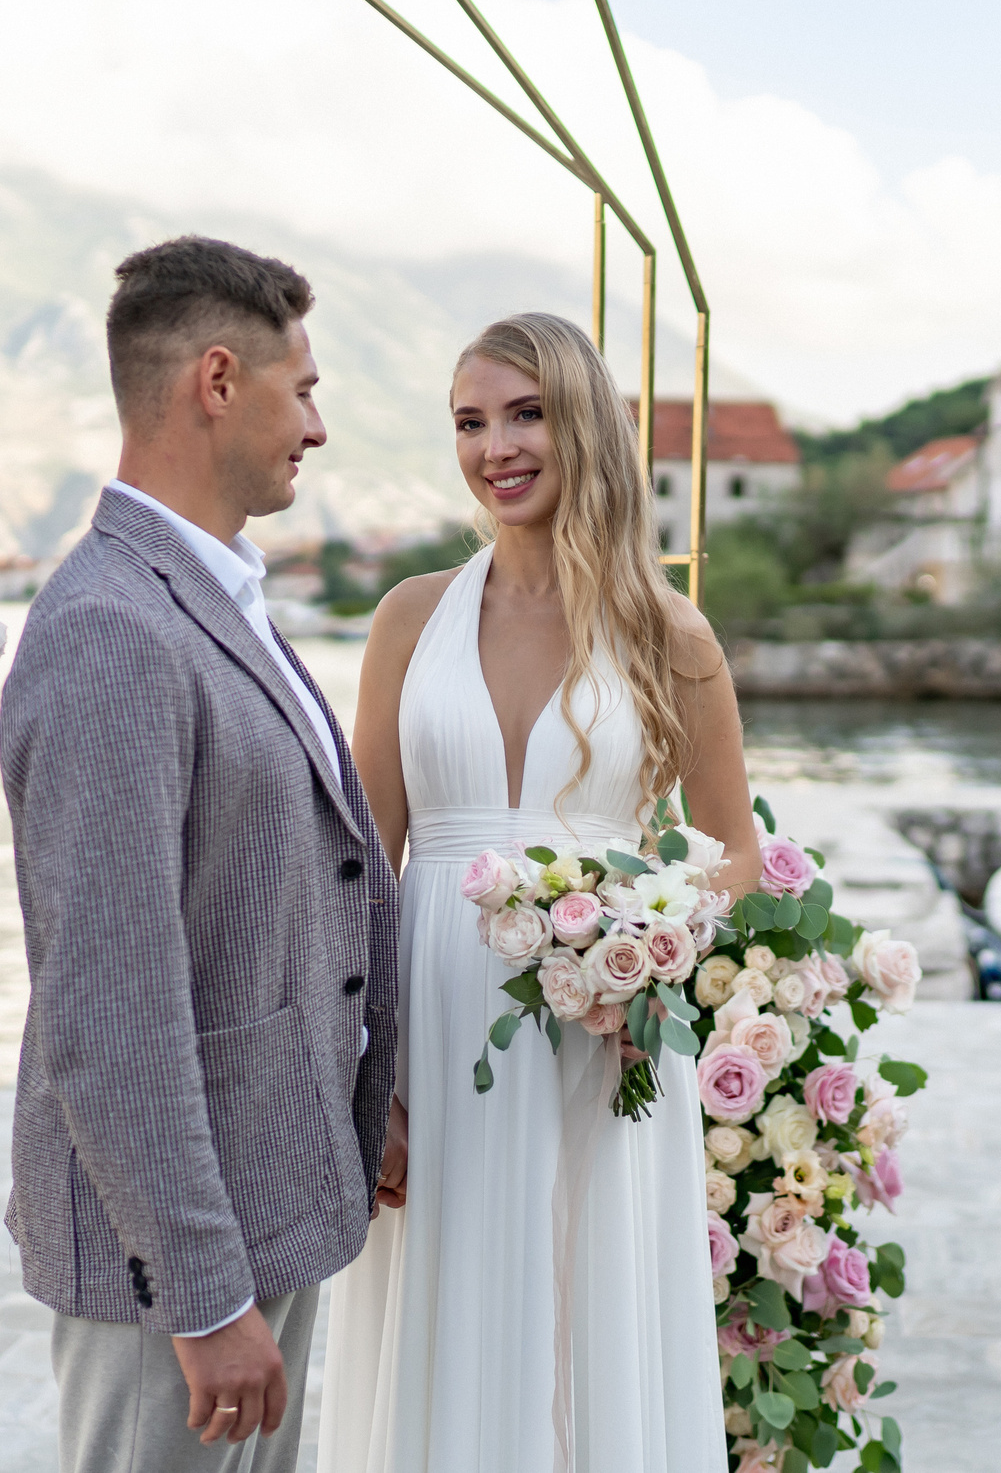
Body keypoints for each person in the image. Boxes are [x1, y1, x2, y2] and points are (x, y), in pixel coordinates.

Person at [317, 313, 761, 1473]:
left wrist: (647, 948)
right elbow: (364, 858)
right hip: (435, 1046)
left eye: (524, 415)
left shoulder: (669, 634)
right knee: (444, 1307)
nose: (494, 447)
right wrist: (370, 1080)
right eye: (469, 422)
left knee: (587, 1318)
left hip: (600, 1043)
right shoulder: (411, 617)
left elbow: (730, 853)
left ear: (582, 426)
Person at [0, 236, 402, 1473]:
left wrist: (359, 1101)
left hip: (263, 1194)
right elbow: (107, 1007)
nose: (319, 428)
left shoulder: (213, 594)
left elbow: (285, 885)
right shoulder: (111, 631)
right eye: (306, 388)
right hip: (170, 1265)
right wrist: (204, 1298)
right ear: (218, 382)